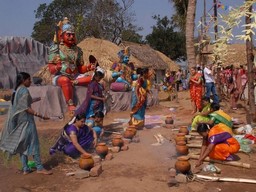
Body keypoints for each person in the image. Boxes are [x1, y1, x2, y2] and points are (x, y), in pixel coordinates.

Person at [0, 72, 52, 175]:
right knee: (34, 143)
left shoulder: (17, 90)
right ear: (23, 80)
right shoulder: (24, 90)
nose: (30, 81)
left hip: (20, 122)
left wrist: (36, 99)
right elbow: (25, 108)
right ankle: (39, 167)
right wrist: (41, 115)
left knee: (22, 144)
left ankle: (25, 168)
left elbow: (22, 103)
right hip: (27, 122)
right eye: (29, 80)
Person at [48, 17, 96, 113]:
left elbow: (80, 68)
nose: (71, 37)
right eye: (68, 35)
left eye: (73, 35)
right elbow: (51, 69)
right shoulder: (56, 48)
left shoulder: (78, 50)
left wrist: (88, 68)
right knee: (65, 80)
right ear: (61, 36)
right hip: (60, 76)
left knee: (93, 78)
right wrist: (57, 67)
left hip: (75, 76)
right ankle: (70, 104)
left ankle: (74, 83)